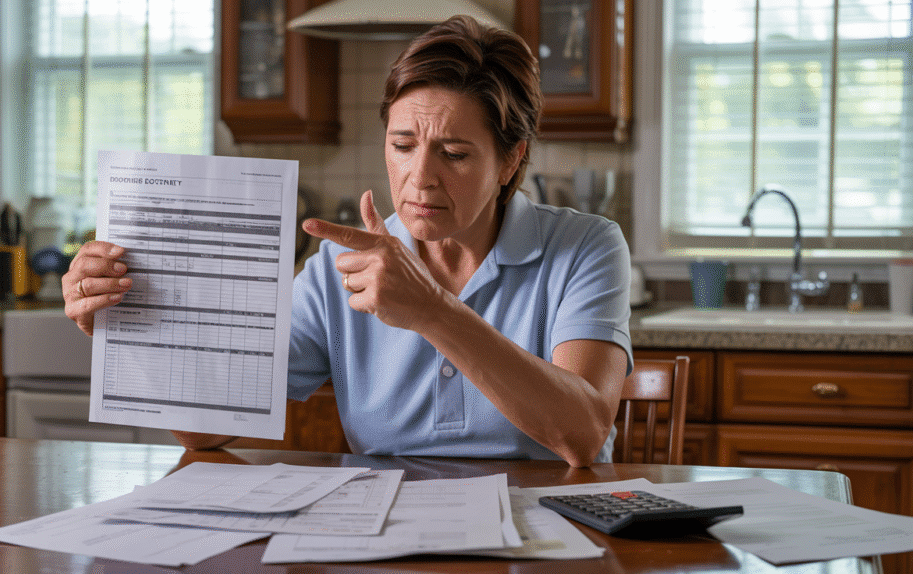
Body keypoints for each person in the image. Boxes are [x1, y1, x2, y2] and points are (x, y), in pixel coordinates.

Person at [63, 15, 632, 467]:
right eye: (403, 145)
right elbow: (204, 429)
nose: (420, 177)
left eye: (454, 154)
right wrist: (131, 324)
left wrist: (433, 312)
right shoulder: (339, 262)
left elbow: (582, 436)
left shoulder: (586, 246)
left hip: (547, 534)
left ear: (511, 160)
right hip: (385, 533)